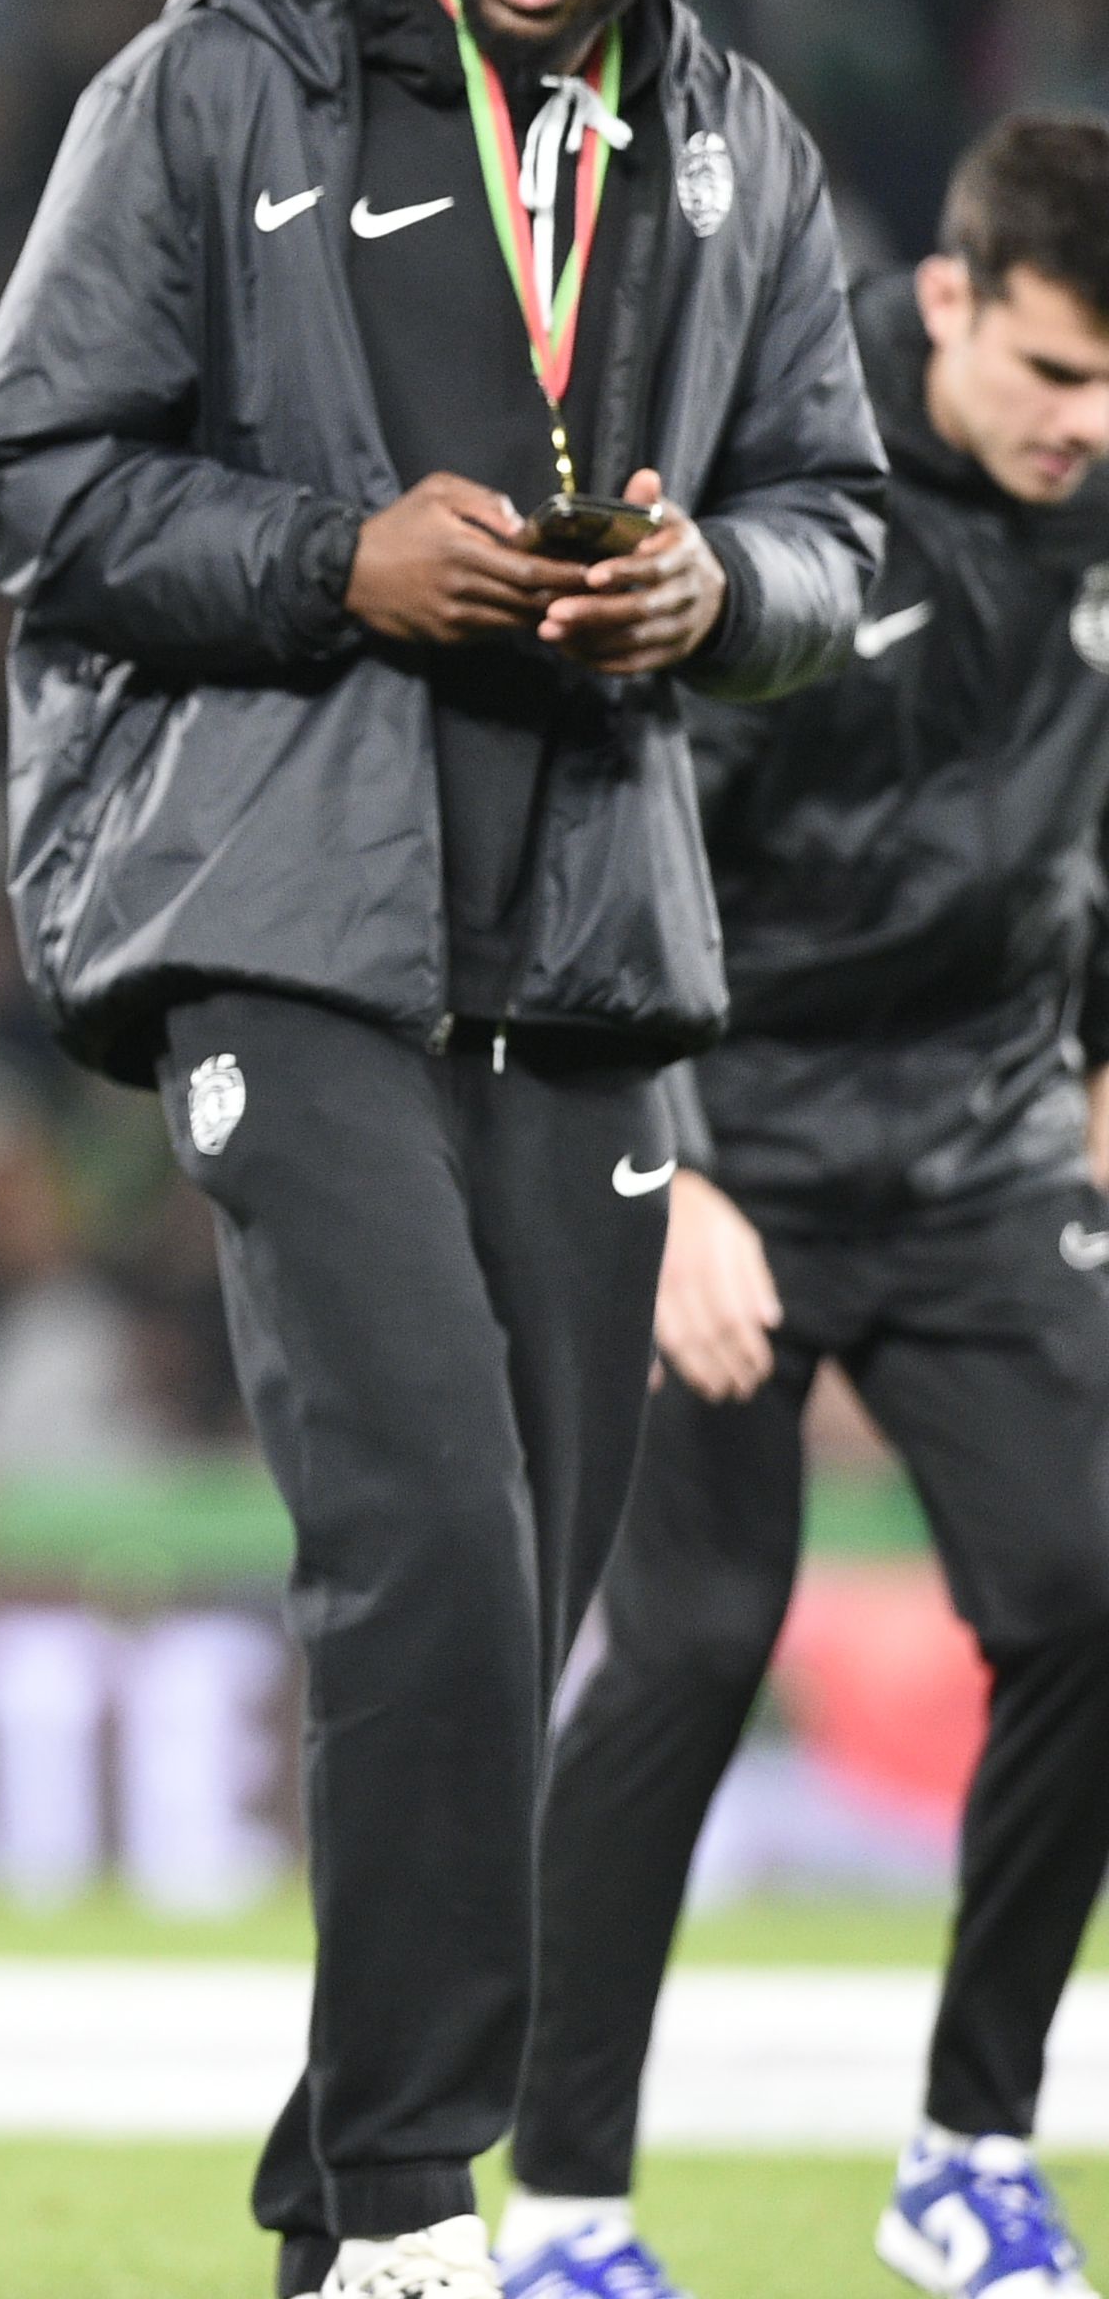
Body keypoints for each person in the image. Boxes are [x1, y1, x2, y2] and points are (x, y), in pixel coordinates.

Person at [0, 0, 883, 2299]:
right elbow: (27, 477)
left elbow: (839, 516)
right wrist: (328, 559)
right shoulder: (223, 73)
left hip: (580, 936)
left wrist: (719, 592)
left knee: (537, 1589)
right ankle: (396, 2215)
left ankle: (338, 2187)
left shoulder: (740, 156)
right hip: (279, 913)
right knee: (432, 1548)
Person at [504, 114, 1109, 2299]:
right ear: (946, 300)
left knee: (1089, 1598)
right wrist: (667, 1168)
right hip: (720, 1130)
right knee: (682, 1638)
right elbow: (605, 826)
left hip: (970, 1147)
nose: (1086, 424)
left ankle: (968, 2149)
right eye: (1053, 372)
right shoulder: (785, 477)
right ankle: (565, 2214)